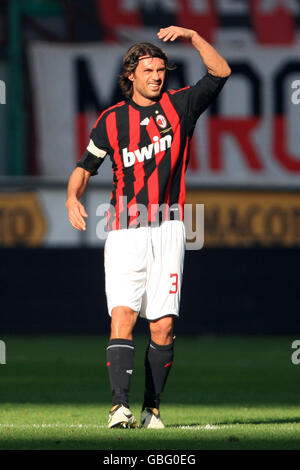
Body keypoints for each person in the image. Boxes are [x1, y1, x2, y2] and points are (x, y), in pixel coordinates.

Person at [66, 25, 231, 429]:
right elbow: (85, 167)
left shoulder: (182, 106)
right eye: (149, 70)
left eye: (161, 70)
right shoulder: (111, 120)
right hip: (125, 226)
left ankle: (151, 408)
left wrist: (193, 36)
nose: (157, 76)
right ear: (131, 77)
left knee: (164, 324)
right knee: (122, 314)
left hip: (171, 227)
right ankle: (118, 407)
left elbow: (221, 72)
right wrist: (73, 196)